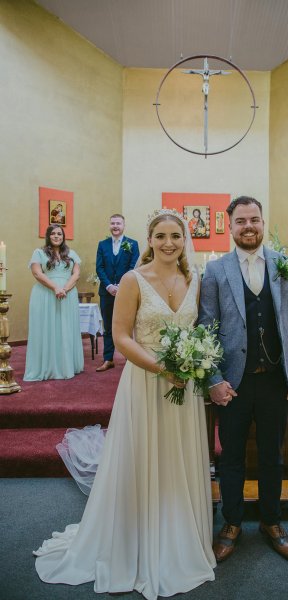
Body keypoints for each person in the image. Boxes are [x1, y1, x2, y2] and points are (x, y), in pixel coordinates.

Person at [34, 209, 216, 598]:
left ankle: (179, 533)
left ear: (185, 241)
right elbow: (120, 337)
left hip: (183, 387)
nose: (169, 243)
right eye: (161, 235)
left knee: (176, 458)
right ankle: (137, 537)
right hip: (146, 383)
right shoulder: (134, 280)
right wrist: (162, 367)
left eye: (176, 236)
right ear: (149, 240)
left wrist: (193, 359)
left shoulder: (193, 278)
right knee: (142, 456)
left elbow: (197, 329)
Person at [198, 196, 288, 563]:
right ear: (230, 226)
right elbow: (206, 327)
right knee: (229, 457)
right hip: (232, 383)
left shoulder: (284, 265)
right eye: (241, 220)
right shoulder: (216, 271)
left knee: (271, 456)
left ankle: (271, 522)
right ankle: (231, 524)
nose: (249, 226)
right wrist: (213, 378)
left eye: (255, 220)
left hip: (275, 380)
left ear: (263, 223)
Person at [24, 225, 84, 381]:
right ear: (48, 236)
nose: (57, 236)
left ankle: (66, 365)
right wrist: (55, 288)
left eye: (59, 233)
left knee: (65, 327)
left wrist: (64, 289)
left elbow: (76, 274)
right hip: (45, 294)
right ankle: (46, 366)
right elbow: (37, 273)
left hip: (67, 294)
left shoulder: (72, 254)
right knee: (46, 328)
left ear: (63, 236)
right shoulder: (39, 252)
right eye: (53, 234)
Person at [95, 213, 139, 371]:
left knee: (127, 325)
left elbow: (133, 266)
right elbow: (99, 267)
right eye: (113, 223)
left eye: (118, 223)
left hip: (126, 292)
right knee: (108, 327)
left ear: (123, 226)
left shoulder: (132, 244)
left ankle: (130, 358)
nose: (115, 226)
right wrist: (109, 286)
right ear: (109, 225)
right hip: (106, 292)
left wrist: (121, 286)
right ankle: (108, 359)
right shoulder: (102, 244)